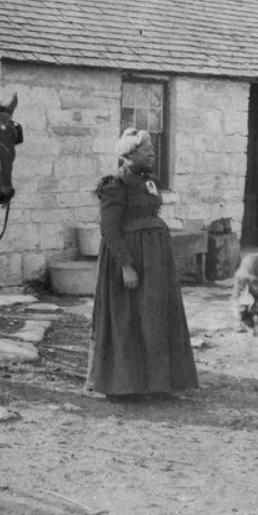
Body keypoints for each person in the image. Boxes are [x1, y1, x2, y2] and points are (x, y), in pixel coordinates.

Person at [88, 128, 199, 399]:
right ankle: (125, 386)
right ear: (128, 153)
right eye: (146, 149)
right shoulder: (115, 184)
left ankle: (159, 383)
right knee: (128, 319)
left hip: (155, 261)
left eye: (152, 147)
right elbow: (109, 230)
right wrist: (126, 265)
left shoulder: (148, 181)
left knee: (155, 317)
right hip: (129, 262)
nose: (153, 152)